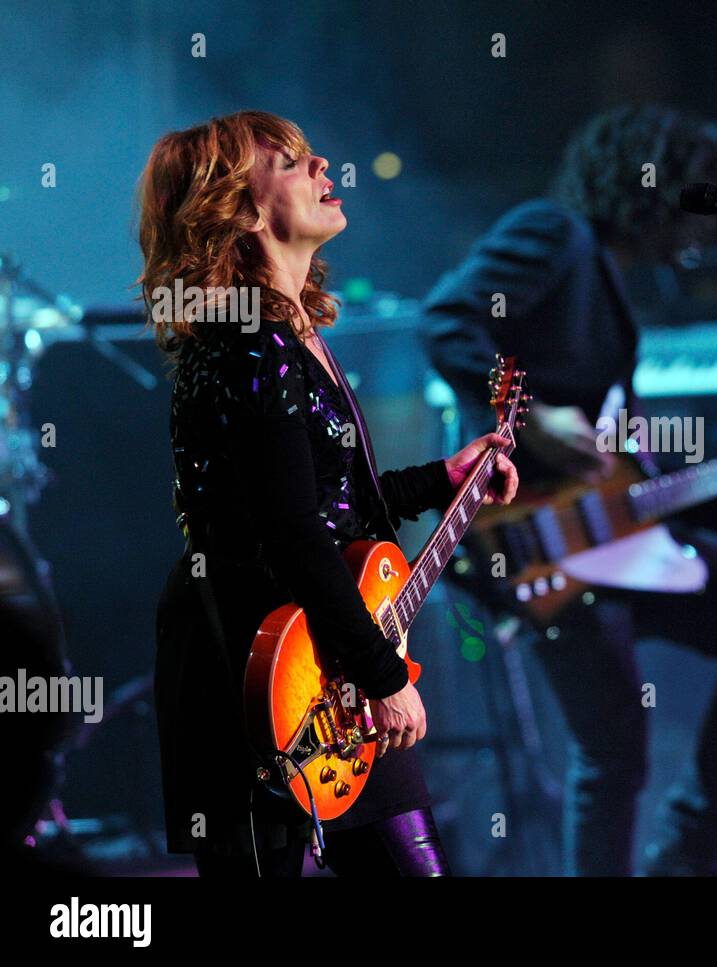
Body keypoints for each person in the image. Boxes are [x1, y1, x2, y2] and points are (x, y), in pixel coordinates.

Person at [141, 110, 518, 877]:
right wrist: (383, 673)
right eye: (289, 162)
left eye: (314, 154)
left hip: (328, 655)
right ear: (239, 208)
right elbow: (290, 531)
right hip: (257, 665)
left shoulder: (291, 329)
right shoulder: (249, 340)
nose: (321, 169)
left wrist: (440, 477)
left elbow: (319, 501)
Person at [424, 104, 717, 875]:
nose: (700, 233)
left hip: (607, 536)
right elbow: (447, 319)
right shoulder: (553, 234)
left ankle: (691, 837)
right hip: (533, 539)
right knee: (613, 754)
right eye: (697, 202)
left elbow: (617, 456)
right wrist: (534, 414)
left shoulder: (601, 273)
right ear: (657, 188)